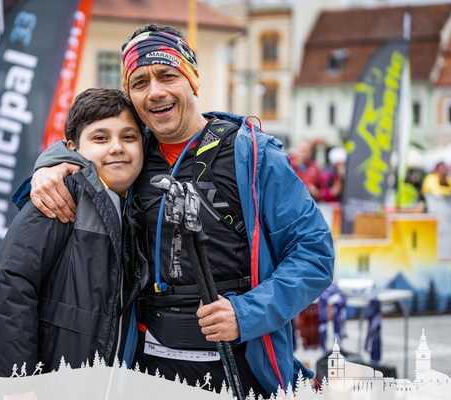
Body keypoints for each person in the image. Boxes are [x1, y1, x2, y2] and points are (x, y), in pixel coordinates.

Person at [28, 25, 334, 396]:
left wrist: (246, 314)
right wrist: (49, 164)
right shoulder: (130, 154)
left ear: (192, 80)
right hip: (146, 369)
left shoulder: (253, 155)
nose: (155, 91)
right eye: (140, 83)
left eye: (167, 76)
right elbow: (81, 145)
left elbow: (314, 255)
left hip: (239, 364)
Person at [0, 88, 145, 378]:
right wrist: (17, 384)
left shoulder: (137, 203)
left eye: (128, 137)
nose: (117, 147)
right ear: (73, 148)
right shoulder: (61, 194)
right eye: (100, 138)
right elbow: (10, 282)